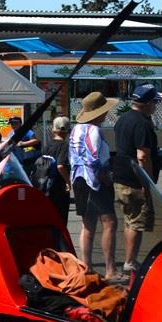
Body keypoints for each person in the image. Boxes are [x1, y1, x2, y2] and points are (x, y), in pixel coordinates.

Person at [111, 84, 162, 274]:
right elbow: (142, 155)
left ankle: (129, 258)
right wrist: (147, 182)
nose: (155, 106)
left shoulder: (122, 119)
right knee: (136, 221)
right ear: (147, 103)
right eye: (155, 102)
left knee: (128, 219)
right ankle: (130, 261)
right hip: (135, 180)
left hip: (120, 175)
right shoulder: (142, 123)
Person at [69, 91, 119, 280]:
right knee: (109, 223)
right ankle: (110, 268)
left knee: (87, 225)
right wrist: (105, 178)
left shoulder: (75, 130)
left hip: (78, 180)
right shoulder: (94, 130)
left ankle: (86, 266)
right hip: (95, 181)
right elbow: (94, 158)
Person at [40, 115, 72, 222]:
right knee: (60, 219)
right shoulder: (65, 145)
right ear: (68, 131)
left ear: (53, 130)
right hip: (59, 186)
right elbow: (61, 165)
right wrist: (68, 181)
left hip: (45, 185)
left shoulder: (47, 145)